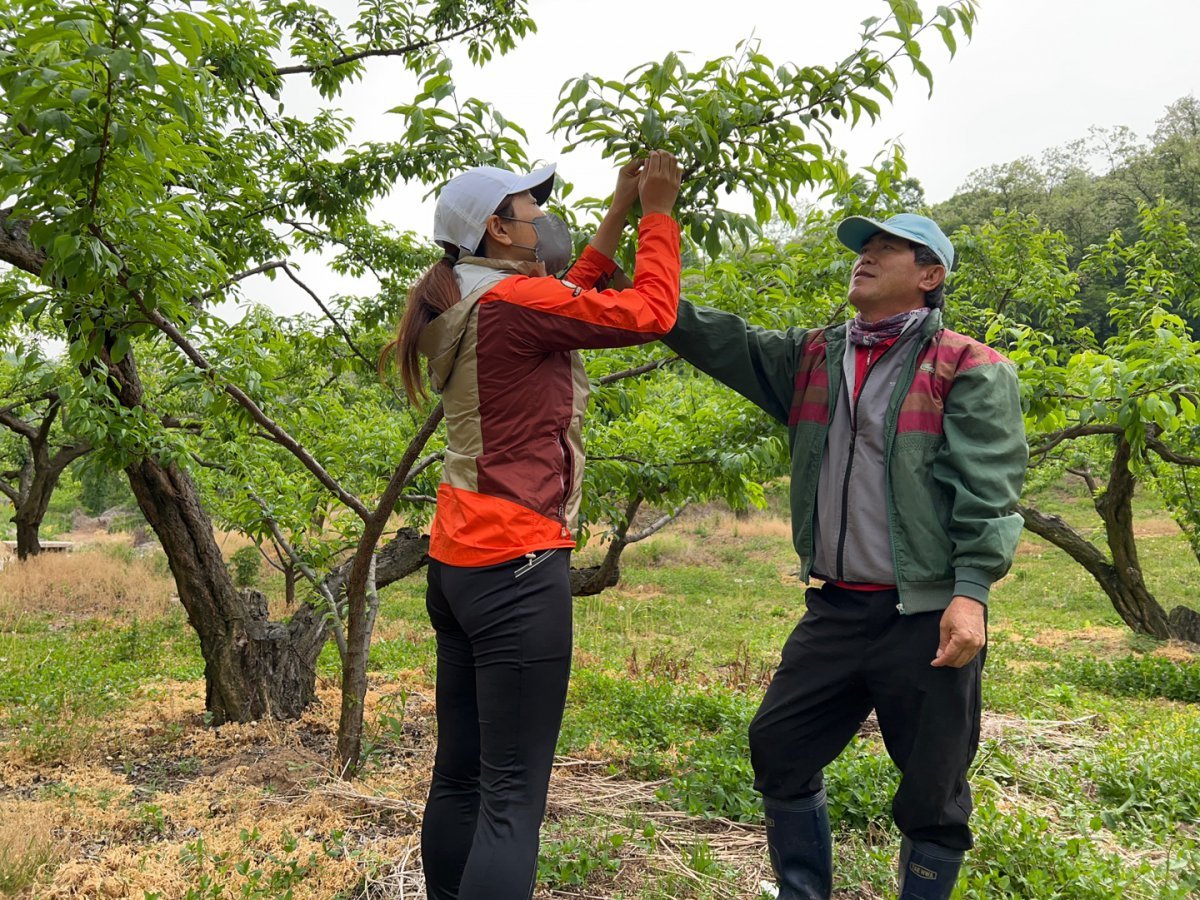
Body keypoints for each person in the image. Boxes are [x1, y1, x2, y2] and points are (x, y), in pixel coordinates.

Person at [661, 213, 1027, 899]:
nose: (866, 257)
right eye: (863, 248)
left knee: (934, 790)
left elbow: (991, 491)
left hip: (923, 616)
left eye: (887, 248)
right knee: (779, 745)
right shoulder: (811, 358)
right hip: (834, 608)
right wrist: (632, 283)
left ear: (930, 274)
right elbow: (715, 338)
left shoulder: (968, 367)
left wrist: (971, 591)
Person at [381, 152, 682, 900]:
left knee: (460, 774)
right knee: (513, 798)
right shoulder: (514, 305)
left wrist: (615, 210)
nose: (542, 216)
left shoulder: (468, 300)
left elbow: (569, 291)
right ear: (498, 228)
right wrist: (659, 212)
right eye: (531, 207)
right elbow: (652, 313)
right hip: (517, 562)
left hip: (459, 562)